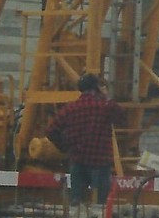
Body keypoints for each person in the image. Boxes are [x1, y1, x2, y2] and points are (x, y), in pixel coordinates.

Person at [47, 73, 125, 206]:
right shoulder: (105, 106)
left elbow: (51, 131)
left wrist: (65, 147)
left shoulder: (71, 108)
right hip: (100, 162)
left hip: (78, 161)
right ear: (97, 88)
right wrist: (107, 97)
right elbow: (122, 120)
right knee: (101, 205)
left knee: (76, 203)